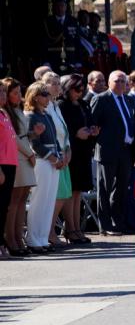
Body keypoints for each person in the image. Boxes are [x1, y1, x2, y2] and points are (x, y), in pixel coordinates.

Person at [91, 70, 135, 235]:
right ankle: (105, 225)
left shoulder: (128, 99)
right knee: (105, 187)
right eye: (117, 81)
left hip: (125, 151)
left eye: (123, 81)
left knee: (120, 188)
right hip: (107, 151)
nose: (120, 84)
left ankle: (117, 221)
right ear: (109, 83)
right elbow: (93, 123)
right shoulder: (101, 99)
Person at [58, 74, 98, 244]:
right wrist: (76, 135)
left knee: (77, 193)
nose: (80, 92)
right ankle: (70, 228)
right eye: (76, 89)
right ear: (67, 88)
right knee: (70, 192)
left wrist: (92, 132)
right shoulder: (62, 105)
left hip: (83, 152)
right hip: (71, 152)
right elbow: (64, 131)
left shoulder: (83, 104)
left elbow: (88, 122)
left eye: (82, 88)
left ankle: (76, 228)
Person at [3, 78, 41, 257]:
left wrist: (34, 134)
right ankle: (11, 239)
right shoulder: (6, 112)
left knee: (21, 198)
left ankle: (18, 237)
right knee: (14, 201)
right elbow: (15, 138)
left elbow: (22, 134)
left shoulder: (16, 110)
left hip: (24, 153)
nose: (19, 96)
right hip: (19, 155)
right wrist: (30, 153)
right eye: (15, 93)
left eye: (20, 92)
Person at [24, 82, 62, 253]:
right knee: (39, 200)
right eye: (44, 94)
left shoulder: (46, 115)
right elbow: (34, 143)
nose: (48, 97)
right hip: (42, 161)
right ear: (36, 96)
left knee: (49, 201)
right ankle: (32, 238)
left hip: (53, 161)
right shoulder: (31, 116)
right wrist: (52, 157)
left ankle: (42, 237)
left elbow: (56, 140)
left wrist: (59, 156)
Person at [43, 72, 72, 248]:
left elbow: (63, 129)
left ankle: (50, 229)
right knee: (57, 196)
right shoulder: (44, 106)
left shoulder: (55, 105)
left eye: (57, 83)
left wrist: (68, 149)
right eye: (51, 83)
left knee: (63, 195)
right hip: (53, 155)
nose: (56, 86)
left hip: (63, 152)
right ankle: (48, 231)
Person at [0, 81, 17, 258]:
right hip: (1, 165)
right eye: (0, 92)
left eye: (4, 91)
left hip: (10, 163)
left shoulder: (4, 113)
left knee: (4, 205)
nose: (3, 95)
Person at [42, 0, 81, 72]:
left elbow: (77, 42)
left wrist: (78, 61)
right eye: (57, 6)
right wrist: (45, 61)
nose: (60, 8)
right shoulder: (47, 22)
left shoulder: (73, 21)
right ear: (53, 7)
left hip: (70, 58)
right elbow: (43, 43)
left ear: (66, 7)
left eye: (62, 5)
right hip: (53, 59)